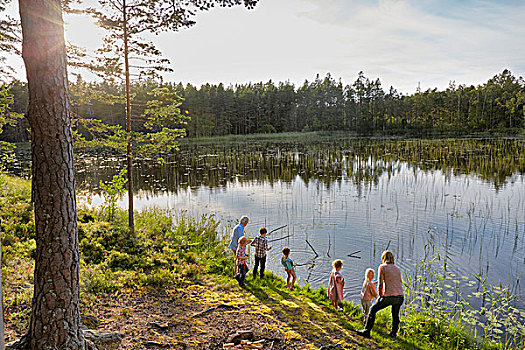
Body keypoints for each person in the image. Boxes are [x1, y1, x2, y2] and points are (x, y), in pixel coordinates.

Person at [356, 250, 404, 339]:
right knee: (395, 314)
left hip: (389, 296)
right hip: (400, 297)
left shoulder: (382, 267)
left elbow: (381, 284)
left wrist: (380, 296)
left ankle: (366, 331)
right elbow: (399, 282)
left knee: (373, 309)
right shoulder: (397, 269)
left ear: (383, 258)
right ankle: (393, 333)